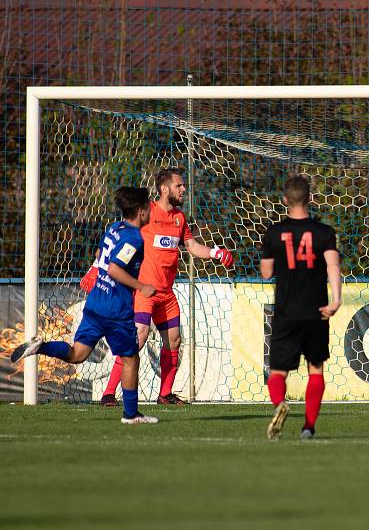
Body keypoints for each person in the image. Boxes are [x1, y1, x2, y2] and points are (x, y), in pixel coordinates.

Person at [82, 168, 234, 406]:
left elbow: (192, 247)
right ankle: (109, 393)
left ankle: (165, 395)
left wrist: (216, 252)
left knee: (174, 341)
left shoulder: (179, 218)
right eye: (179, 186)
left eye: (183, 186)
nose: (183, 189)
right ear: (164, 189)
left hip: (166, 294)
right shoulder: (146, 212)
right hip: (144, 292)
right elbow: (116, 236)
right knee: (138, 338)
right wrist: (95, 266)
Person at [13, 187, 159, 424]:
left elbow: (102, 254)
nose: (151, 210)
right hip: (116, 309)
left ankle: (40, 347)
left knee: (77, 355)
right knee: (131, 358)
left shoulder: (114, 228)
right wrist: (142, 287)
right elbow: (114, 268)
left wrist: (96, 270)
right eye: (149, 207)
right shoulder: (134, 238)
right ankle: (131, 415)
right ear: (141, 211)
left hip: (95, 303)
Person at [260, 176, 341, 440]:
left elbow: (266, 272)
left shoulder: (273, 233)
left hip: (286, 312)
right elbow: (333, 266)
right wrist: (336, 301)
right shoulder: (324, 232)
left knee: (278, 372)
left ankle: (279, 404)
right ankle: (308, 428)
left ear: (285, 201)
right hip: (316, 311)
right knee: (315, 369)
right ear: (310, 198)